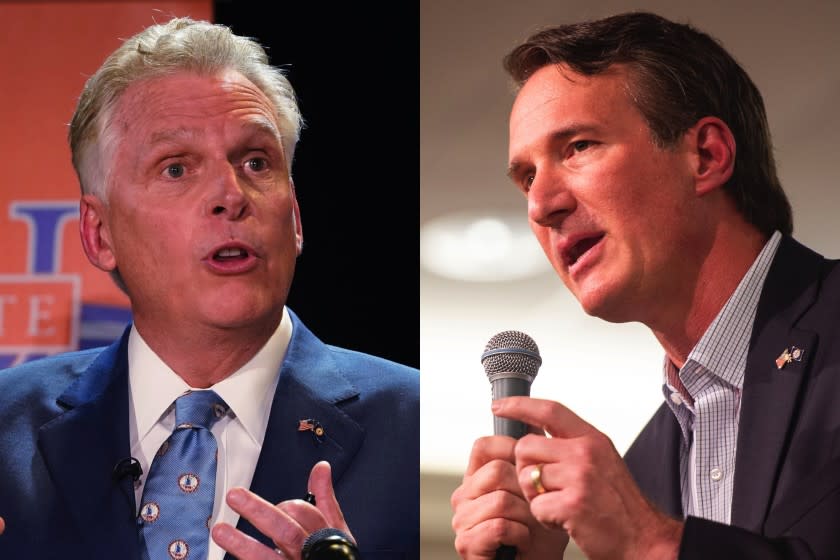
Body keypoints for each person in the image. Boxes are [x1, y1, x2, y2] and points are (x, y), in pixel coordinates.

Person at [0, 16, 419, 560]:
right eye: (176, 169)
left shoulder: (416, 427)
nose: (231, 194)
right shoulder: (7, 426)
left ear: (293, 216)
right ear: (99, 233)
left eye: (255, 162)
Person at [450, 10, 840, 560]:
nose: (540, 205)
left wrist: (651, 543)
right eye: (528, 177)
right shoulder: (642, 472)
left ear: (705, 156)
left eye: (578, 146)